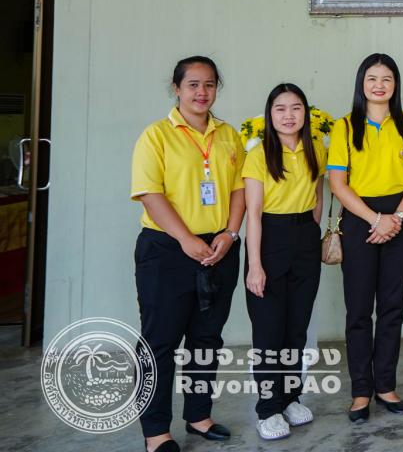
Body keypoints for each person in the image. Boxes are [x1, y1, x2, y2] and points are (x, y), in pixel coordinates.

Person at [130, 56, 245, 452]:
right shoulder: (156, 135)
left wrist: (231, 233)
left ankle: (199, 416)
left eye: (209, 84)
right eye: (193, 84)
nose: (201, 92)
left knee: (206, 337)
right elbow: (150, 193)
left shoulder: (228, 135)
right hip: (166, 249)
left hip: (219, 248)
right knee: (160, 341)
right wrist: (184, 239)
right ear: (176, 88)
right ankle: (156, 432)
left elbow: (239, 190)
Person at [328, 53, 403, 422]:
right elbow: (338, 184)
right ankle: (361, 391)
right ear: (362, 83)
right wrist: (375, 219)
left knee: (391, 308)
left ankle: (385, 385)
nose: (379, 85)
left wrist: (396, 218)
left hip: (400, 221)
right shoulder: (344, 126)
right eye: (372, 78)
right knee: (358, 310)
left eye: (387, 78)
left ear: (395, 84)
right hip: (360, 220)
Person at [242, 84, 326, 440]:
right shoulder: (259, 155)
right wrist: (255, 265)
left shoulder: (316, 149)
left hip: (305, 238)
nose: (288, 115)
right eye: (280, 108)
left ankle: (291, 398)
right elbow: (253, 214)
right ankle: (268, 408)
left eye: (295, 108)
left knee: (297, 328)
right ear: (270, 114)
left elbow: (318, 196)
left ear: (305, 113)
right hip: (270, 239)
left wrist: (311, 233)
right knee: (269, 332)